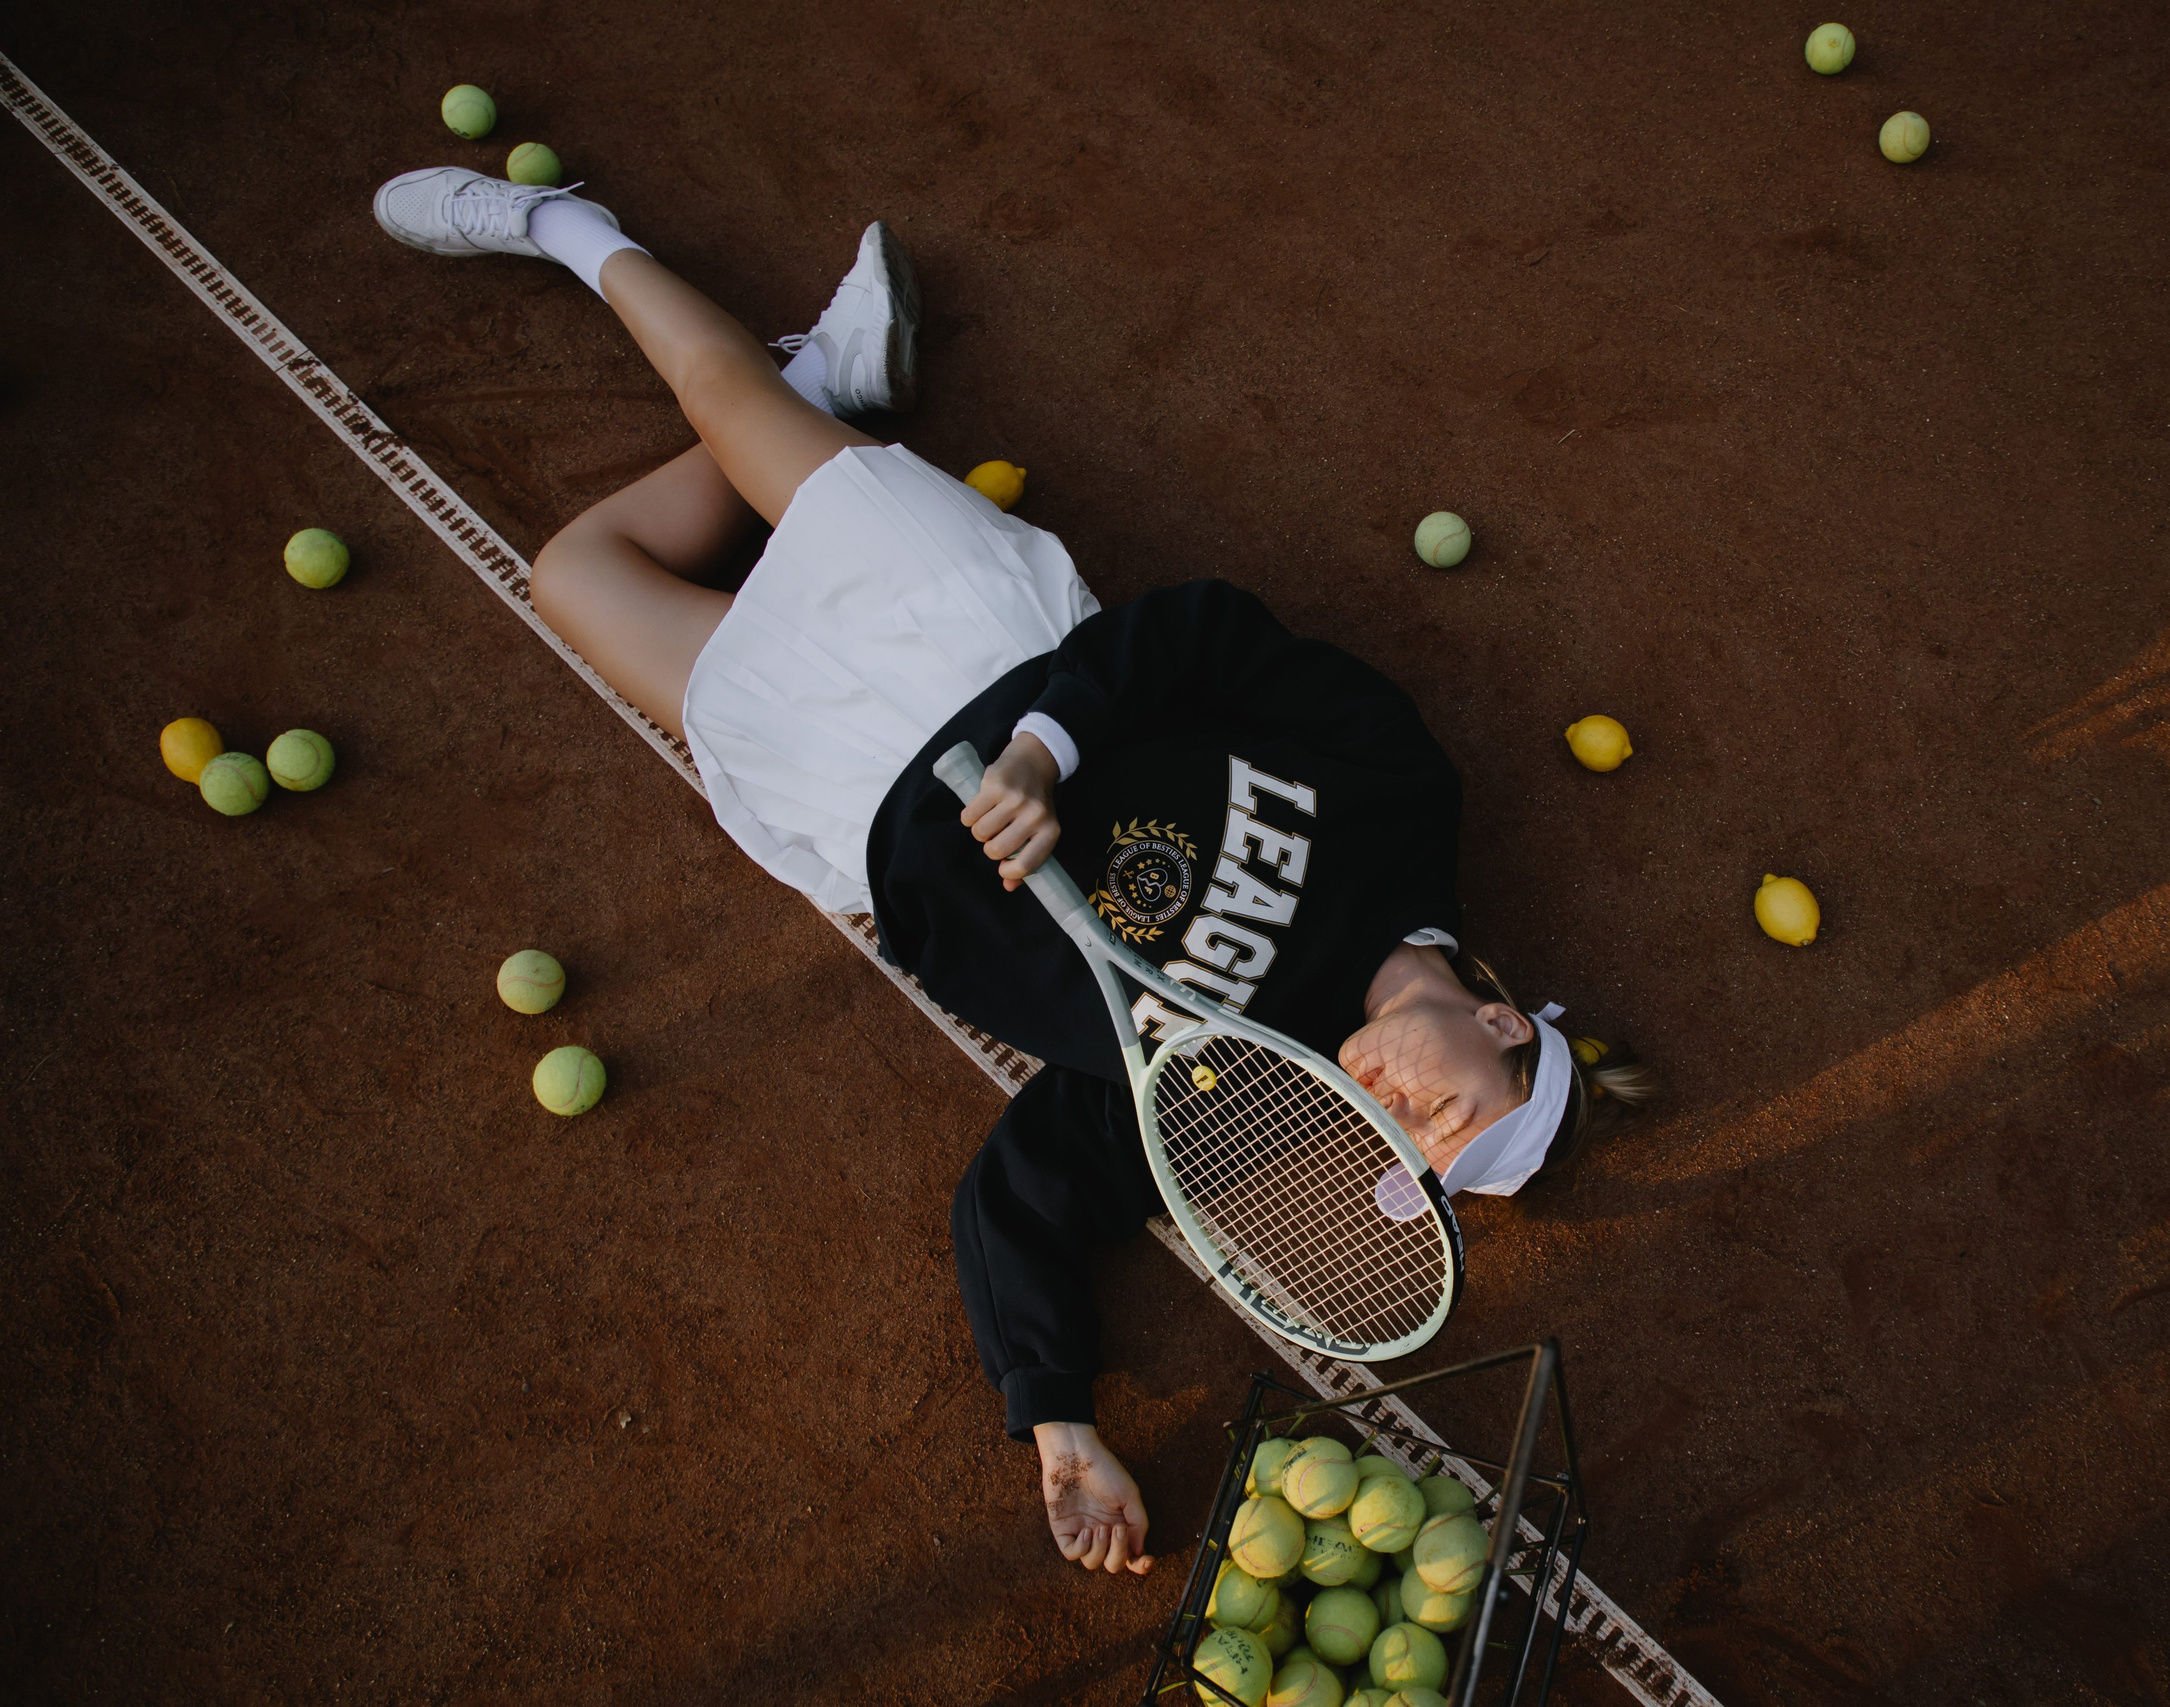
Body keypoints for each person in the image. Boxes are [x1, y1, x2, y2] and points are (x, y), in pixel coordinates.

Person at [372, 166, 1658, 1577]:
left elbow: (1026, 1191)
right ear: (1497, 1018)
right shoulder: (1403, 796)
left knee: (574, 571)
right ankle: (569, 228)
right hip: (981, 643)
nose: (1401, 1118)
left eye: (1417, 1154)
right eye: (1452, 1107)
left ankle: (830, 382)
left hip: (855, 801)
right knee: (722, 406)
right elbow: (1205, 636)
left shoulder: (1251, 1089)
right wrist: (1047, 745)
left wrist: (1055, 1421)